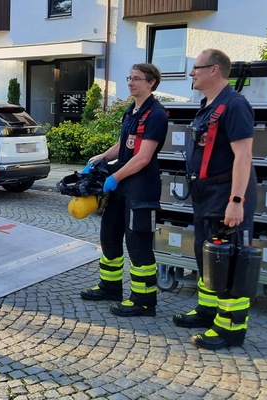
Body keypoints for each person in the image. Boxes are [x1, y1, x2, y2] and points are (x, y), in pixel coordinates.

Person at [172, 49, 258, 350]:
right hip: (206, 195)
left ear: (215, 70)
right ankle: (208, 310)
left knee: (229, 262)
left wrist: (237, 200)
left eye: (196, 68)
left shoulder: (234, 105)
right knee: (208, 257)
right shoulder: (208, 104)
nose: (191, 73)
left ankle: (231, 329)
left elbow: (243, 156)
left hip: (226, 195)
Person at [79, 63, 168, 317]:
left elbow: (143, 157)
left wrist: (114, 177)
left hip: (141, 188)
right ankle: (110, 287)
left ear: (151, 83)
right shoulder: (132, 110)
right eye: (129, 77)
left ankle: (143, 300)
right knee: (109, 234)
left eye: (137, 79)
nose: (130, 82)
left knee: (138, 244)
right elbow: (124, 144)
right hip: (122, 185)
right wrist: (101, 158)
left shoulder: (156, 114)